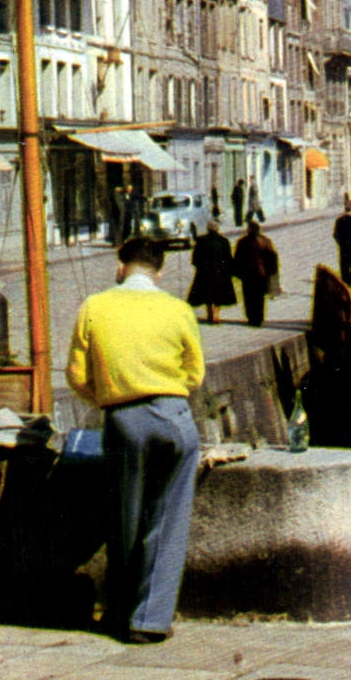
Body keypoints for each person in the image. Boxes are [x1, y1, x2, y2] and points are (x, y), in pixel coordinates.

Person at [65, 236, 204, 644]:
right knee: (168, 520)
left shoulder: (95, 306)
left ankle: (119, 612)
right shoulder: (178, 309)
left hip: (124, 418)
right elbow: (194, 373)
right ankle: (150, 620)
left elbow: (75, 375)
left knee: (124, 518)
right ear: (159, 271)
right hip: (174, 415)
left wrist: (110, 400)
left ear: (120, 266)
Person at [186, 218, 236, 324]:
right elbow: (228, 258)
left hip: (205, 271)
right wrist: (230, 270)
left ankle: (210, 313)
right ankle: (216, 314)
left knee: (207, 294)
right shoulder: (224, 241)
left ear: (208, 229)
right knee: (219, 294)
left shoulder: (201, 241)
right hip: (220, 272)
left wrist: (199, 267)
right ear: (217, 229)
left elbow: (195, 258)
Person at [232, 220, 280, 327]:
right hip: (261, 274)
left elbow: (237, 259)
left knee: (249, 297)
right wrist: (270, 271)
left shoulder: (242, 242)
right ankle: (259, 318)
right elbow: (272, 258)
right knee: (259, 298)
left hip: (247, 274)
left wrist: (237, 273)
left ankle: (251, 318)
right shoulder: (265, 241)